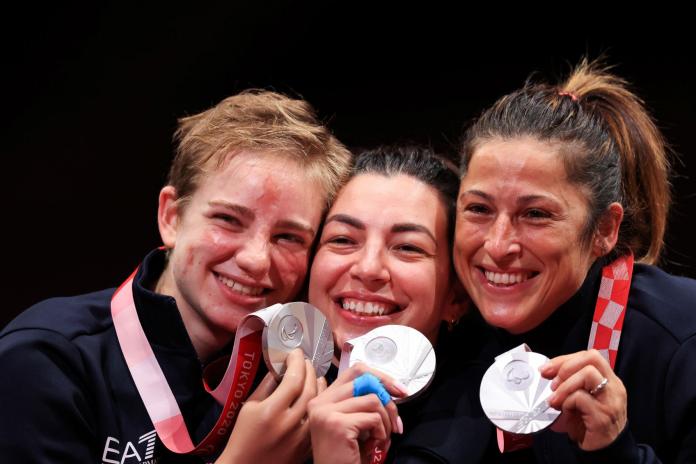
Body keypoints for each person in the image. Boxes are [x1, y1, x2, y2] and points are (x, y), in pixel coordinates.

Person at [0, 90, 352, 463]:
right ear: (171, 217)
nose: (256, 260)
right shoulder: (45, 361)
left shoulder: (303, 379)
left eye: (288, 237)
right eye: (228, 220)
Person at [437, 59, 696, 462]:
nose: (499, 245)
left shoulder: (684, 337)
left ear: (604, 230)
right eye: (479, 209)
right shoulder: (444, 331)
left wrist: (614, 450)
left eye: (536, 214)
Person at [305, 146, 470, 464]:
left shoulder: (484, 434)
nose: (368, 269)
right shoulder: (252, 402)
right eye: (342, 239)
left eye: (407, 247)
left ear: (457, 298)